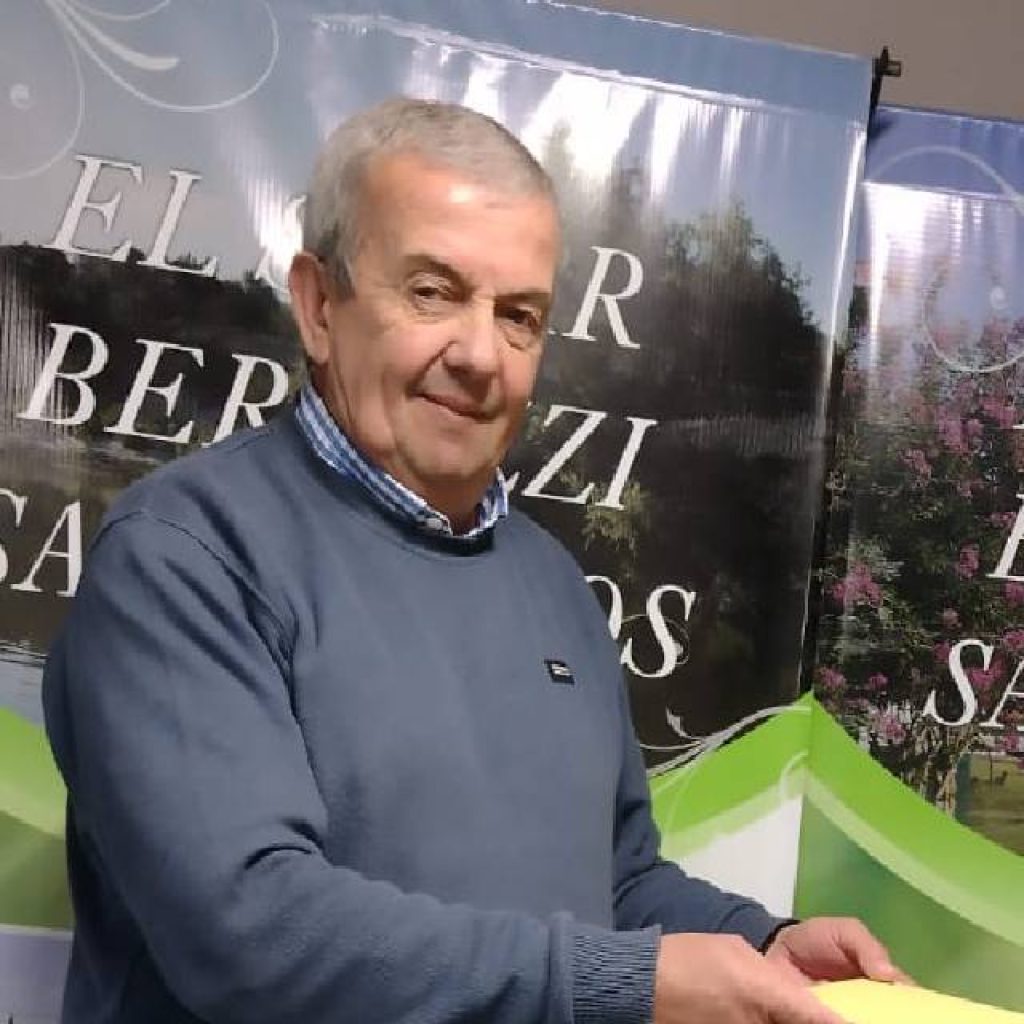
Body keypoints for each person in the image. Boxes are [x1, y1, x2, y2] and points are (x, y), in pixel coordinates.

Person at [43, 97, 905, 1024]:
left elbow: (613, 883)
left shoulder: (553, 584)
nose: (481, 355)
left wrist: (761, 944)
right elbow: (251, 935)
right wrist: (620, 987)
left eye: (519, 315)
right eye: (433, 292)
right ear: (318, 306)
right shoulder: (184, 558)